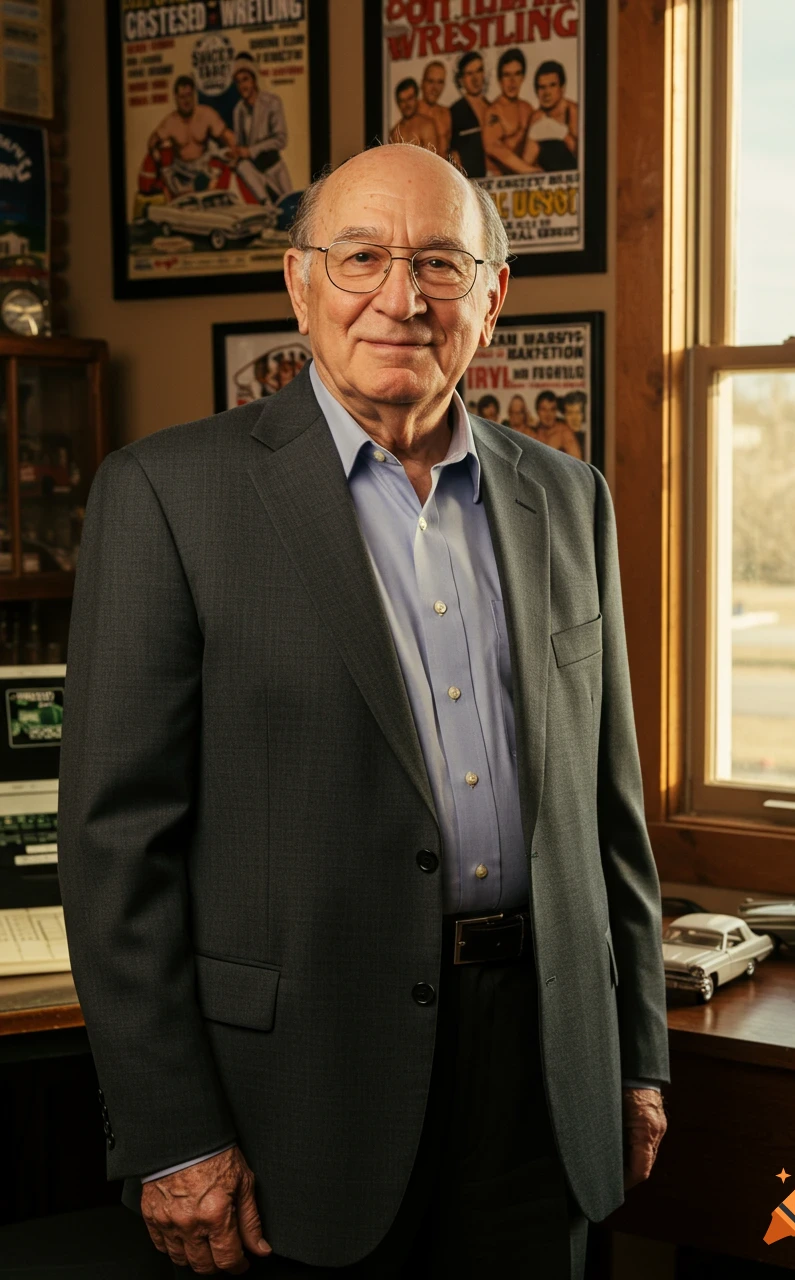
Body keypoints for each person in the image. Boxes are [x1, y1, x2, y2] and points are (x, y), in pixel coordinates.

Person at [58, 142, 668, 1280]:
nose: (401, 297)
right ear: (299, 283)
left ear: (490, 295)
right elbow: (112, 849)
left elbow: (607, 810)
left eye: (439, 261)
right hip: (296, 1093)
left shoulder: (565, 496)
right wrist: (174, 1131)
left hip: (543, 1069)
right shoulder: (166, 494)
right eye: (361, 258)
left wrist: (633, 1056)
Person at [146, 74, 237, 197]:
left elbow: (227, 136)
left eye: (189, 95)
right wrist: (156, 155)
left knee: (218, 163)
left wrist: (233, 151)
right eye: (182, 97)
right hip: (180, 171)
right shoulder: (170, 122)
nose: (186, 101)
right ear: (176, 98)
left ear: (194, 95)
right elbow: (152, 141)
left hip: (203, 169)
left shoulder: (206, 114)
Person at [230, 52, 293, 202]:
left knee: (291, 208)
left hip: (274, 168)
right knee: (242, 166)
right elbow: (240, 144)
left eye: (245, 80)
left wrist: (251, 151)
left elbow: (281, 139)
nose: (242, 86)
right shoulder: (238, 110)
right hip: (256, 173)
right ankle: (265, 202)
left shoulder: (271, 102)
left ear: (253, 80)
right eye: (238, 82)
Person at [482, 48, 541, 176]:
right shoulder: (494, 111)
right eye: (507, 75)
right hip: (499, 183)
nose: (512, 81)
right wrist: (527, 170)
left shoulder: (527, 108)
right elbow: (493, 147)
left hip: (523, 180)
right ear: (500, 79)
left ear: (523, 77)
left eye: (517, 74)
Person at [523, 60, 578, 172]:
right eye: (542, 87)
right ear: (537, 91)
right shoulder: (537, 117)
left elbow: (587, 159)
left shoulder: (573, 112)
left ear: (562, 88)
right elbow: (527, 161)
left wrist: (563, 134)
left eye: (552, 85)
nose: (547, 93)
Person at [449, 51, 490, 177]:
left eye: (479, 71)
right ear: (461, 79)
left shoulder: (493, 107)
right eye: (469, 73)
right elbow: (452, 153)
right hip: (470, 183)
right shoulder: (455, 111)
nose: (475, 79)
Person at [389, 77, 438, 150]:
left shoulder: (427, 126)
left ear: (416, 98)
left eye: (409, 98)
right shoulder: (394, 132)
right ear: (398, 103)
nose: (406, 104)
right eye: (402, 101)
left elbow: (433, 158)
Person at [533, 388, 583, 458]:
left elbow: (578, 463)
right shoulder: (533, 432)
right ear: (537, 411)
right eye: (544, 409)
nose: (548, 414)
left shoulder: (564, 432)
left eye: (552, 409)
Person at [418, 61, 452, 159]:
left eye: (440, 82)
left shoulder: (446, 114)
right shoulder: (413, 114)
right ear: (422, 83)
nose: (435, 88)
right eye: (431, 81)